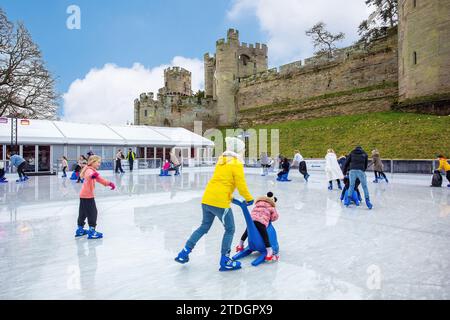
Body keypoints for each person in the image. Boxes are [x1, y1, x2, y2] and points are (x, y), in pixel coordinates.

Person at [174, 137, 254, 271]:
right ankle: (225, 260)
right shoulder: (236, 163)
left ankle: (184, 252)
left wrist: (231, 197)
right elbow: (241, 184)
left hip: (207, 199)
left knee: (203, 227)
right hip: (220, 203)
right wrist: (249, 198)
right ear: (238, 150)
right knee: (230, 229)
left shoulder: (221, 161)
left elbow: (222, 182)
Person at [75, 155, 116, 239]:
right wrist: (93, 176)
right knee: (93, 213)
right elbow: (89, 175)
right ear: (92, 162)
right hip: (88, 196)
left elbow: (99, 179)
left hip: (83, 195)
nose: (99, 164)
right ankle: (92, 231)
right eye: (98, 162)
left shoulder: (88, 169)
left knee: (82, 213)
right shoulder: (89, 170)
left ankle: (80, 230)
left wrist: (109, 183)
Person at [236, 192, 279, 261]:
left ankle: (240, 244)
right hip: (261, 222)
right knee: (264, 235)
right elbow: (275, 217)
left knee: (247, 231)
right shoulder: (272, 207)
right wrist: (270, 218)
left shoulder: (258, 204)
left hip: (252, 220)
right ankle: (269, 249)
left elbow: (253, 211)